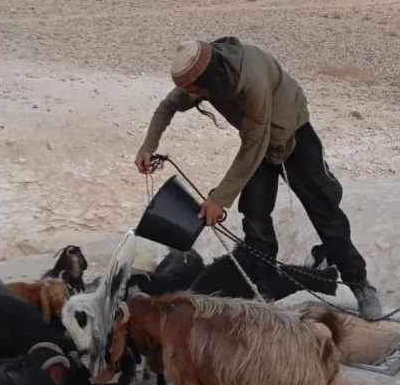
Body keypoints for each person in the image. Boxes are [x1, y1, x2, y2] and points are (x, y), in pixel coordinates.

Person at [135, 36, 382, 319]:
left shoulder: (250, 79)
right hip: (258, 142)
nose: (192, 98)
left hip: (293, 135)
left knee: (325, 212)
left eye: (195, 91)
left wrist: (219, 199)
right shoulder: (200, 81)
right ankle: (262, 288)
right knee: (255, 218)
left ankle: (359, 283)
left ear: (210, 77)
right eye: (188, 92)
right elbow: (166, 107)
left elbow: (254, 145)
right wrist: (148, 146)